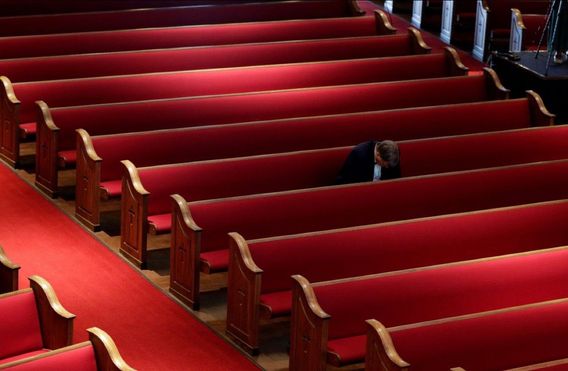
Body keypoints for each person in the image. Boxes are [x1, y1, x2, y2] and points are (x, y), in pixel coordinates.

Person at [335, 140, 400, 185]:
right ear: (378, 155)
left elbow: (395, 179)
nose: (386, 167)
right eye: (384, 165)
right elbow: (349, 180)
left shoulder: (392, 155)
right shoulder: (359, 155)